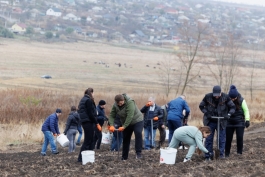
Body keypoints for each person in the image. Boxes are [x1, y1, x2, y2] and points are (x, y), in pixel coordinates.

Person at [199, 85, 236, 160]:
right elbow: (201, 106)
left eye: (218, 95)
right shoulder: (207, 97)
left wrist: (228, 115)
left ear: (220, 93)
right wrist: (207, 113)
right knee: (209, 139)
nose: (216, 97)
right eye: (215, 95)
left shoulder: (226, 97)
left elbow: (233, 107)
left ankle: (220, 155)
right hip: (210, 121)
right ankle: (208, 155)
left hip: (221, 121)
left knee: (221, 139)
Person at [108, 94, 144, 160]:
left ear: (123, 100)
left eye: (121, 103)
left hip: (137, 121)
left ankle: (138, 153)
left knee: (138, 133)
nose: (120, 105)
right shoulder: (115, 105)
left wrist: (124, 126)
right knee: (125, 138)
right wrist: (111, 125)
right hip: (126, 123)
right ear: (116, 102)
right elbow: (112, 115)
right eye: (119, 104)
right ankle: (124, 156)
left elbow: (130, 116)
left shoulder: (130, 102)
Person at [77, 88, 102, 163]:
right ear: (91, 93)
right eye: (93, 93)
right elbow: (90, 113)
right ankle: (81, 158)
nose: (93, 94)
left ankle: (87, 156)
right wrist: (96, 123)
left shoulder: (83, 99)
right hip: (88, 122)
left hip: (86, 122)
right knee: (88, 140)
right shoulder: (88, 100)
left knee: (90, 140)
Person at [225, 85, 250, 157]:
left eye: (234, 98)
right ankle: (227, 153)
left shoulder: (242, 100)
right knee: (228, 138)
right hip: (229, 122)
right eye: (231, 98)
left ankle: (239, 152)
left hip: (239, 121)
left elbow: (246, 110)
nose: (232, 99)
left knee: (239, 137)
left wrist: (247, 120)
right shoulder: (226, 99)